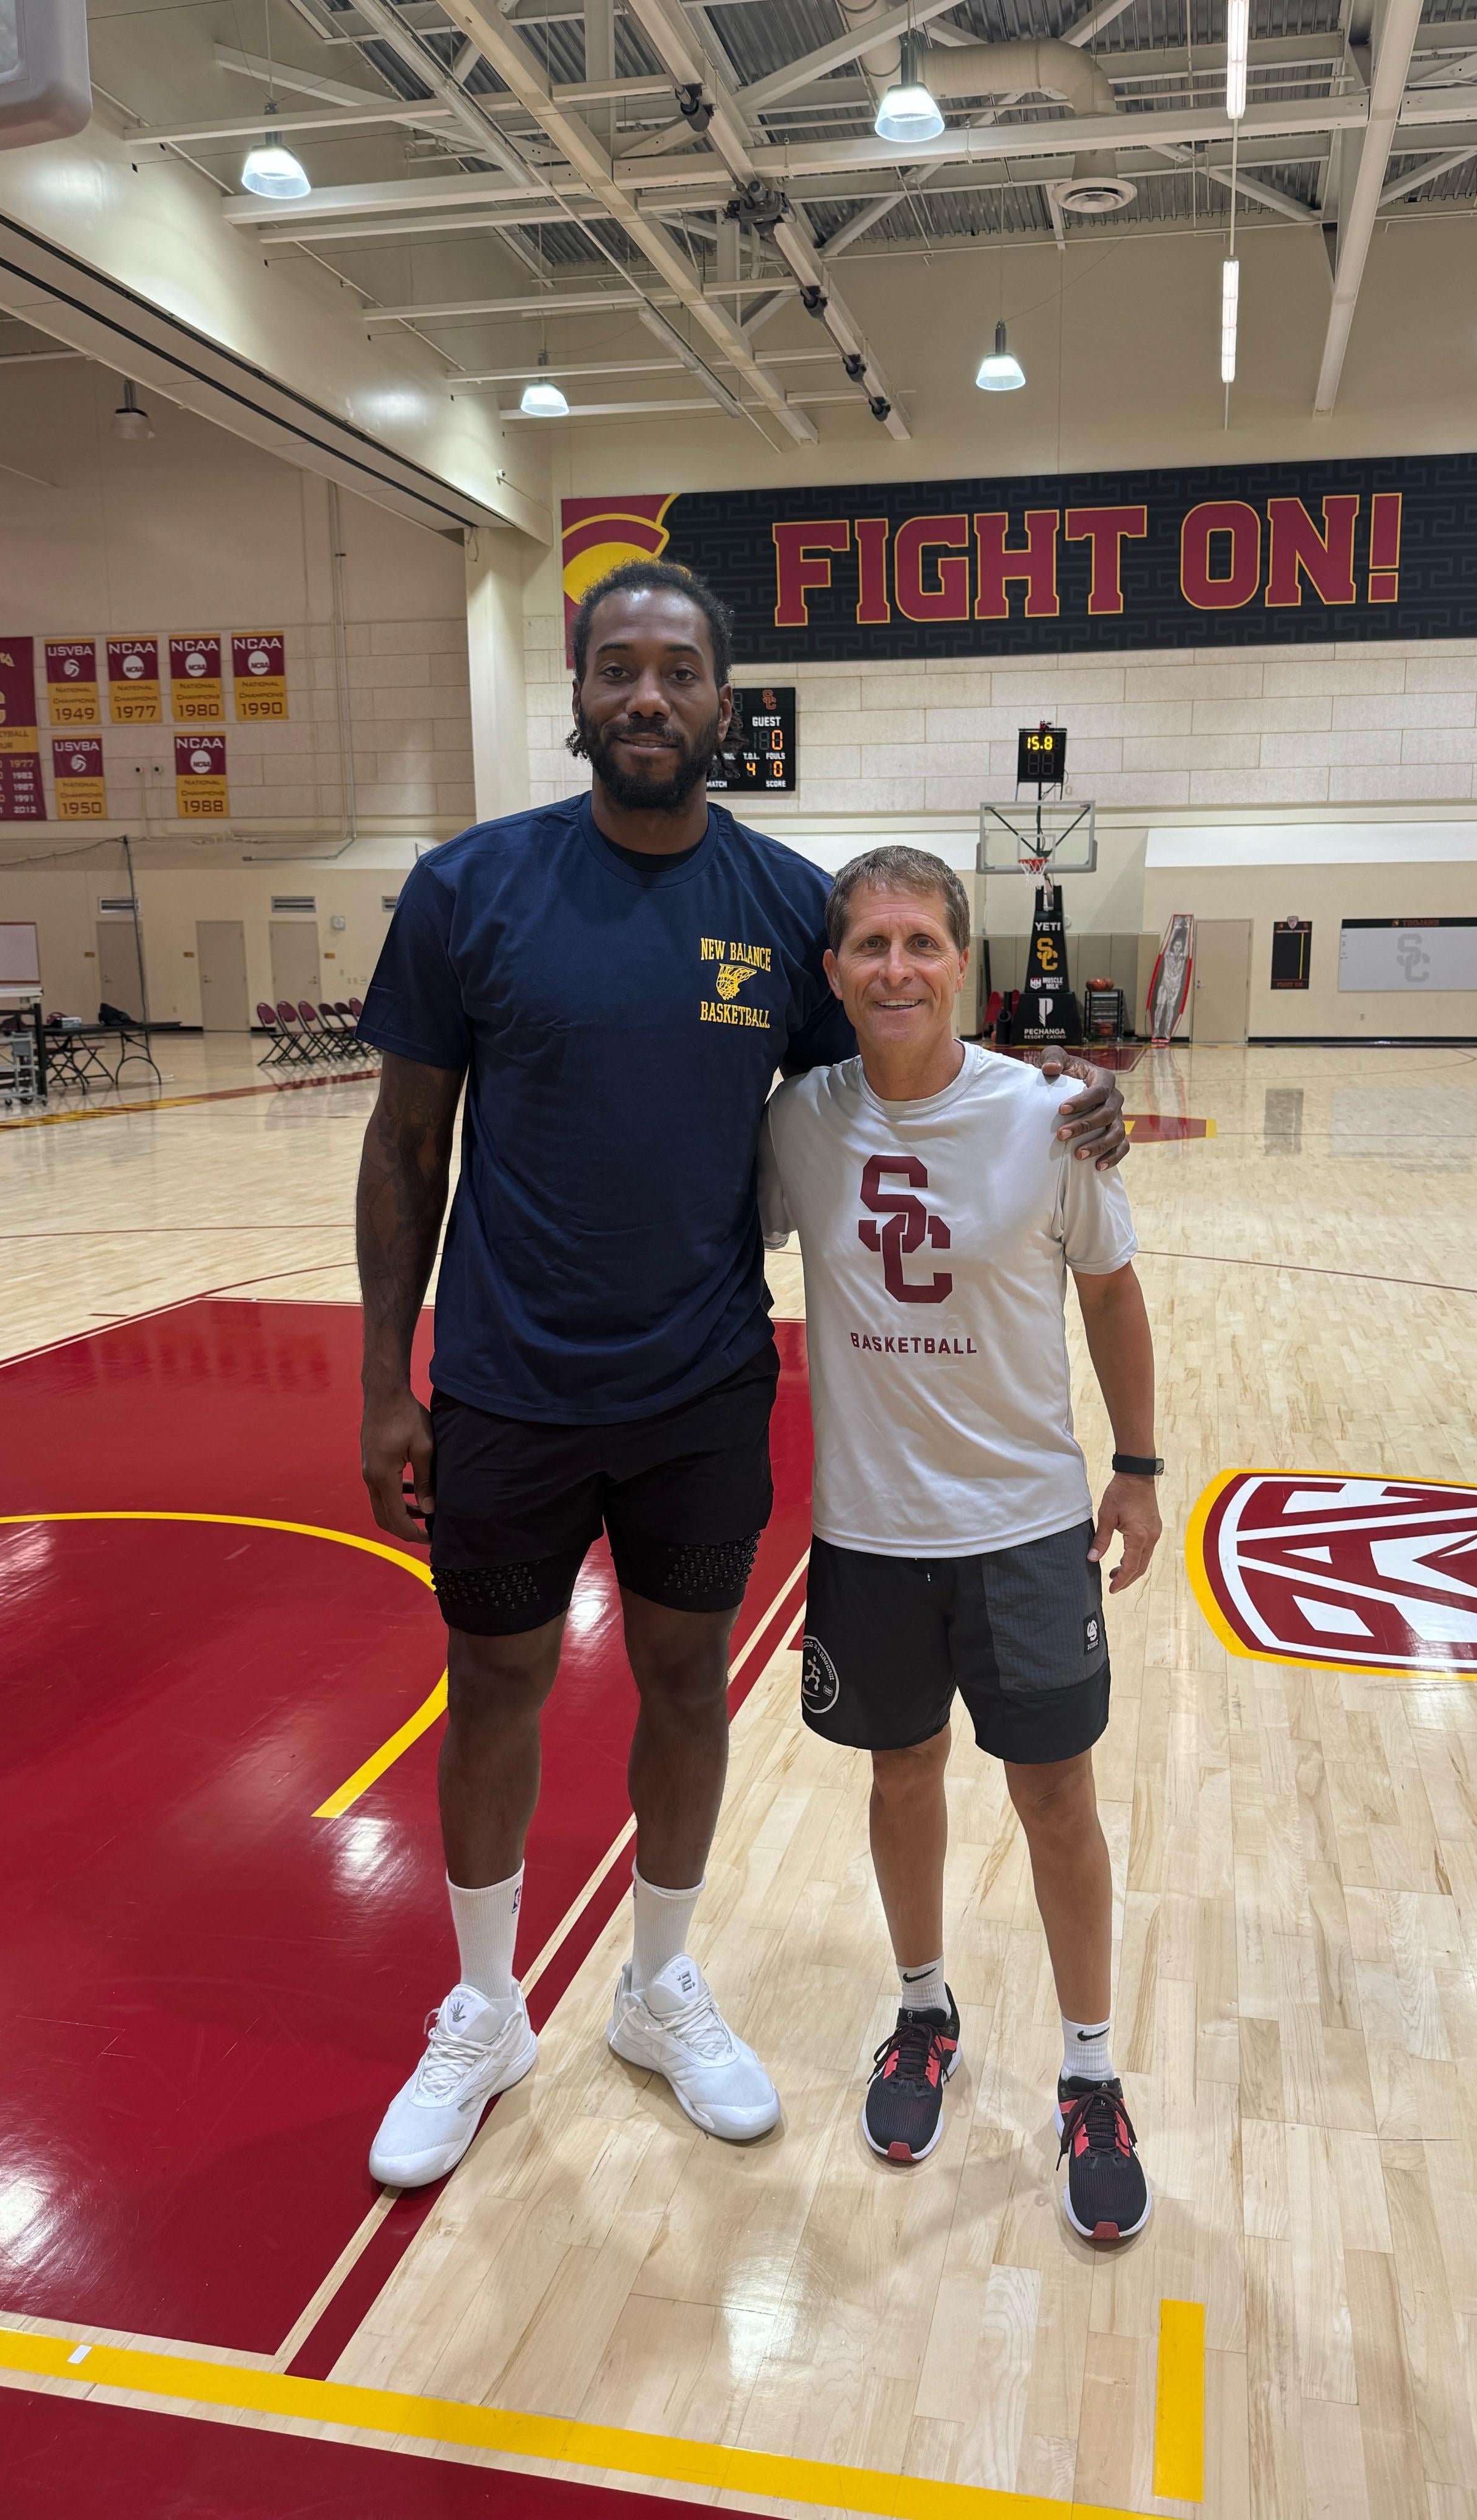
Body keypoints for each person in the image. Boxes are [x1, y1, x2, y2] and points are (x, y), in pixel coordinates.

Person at [351, 562, 1130, 2188]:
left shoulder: (785, 906)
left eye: (680, 670)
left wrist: (1054, 1089)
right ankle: (485, 2008)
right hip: (504, 1378)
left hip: (701, 1385)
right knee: (494, 1684)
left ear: (726, 701)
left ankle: (657, 1985)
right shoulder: (466, 887)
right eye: (618, 668)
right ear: (579, 692)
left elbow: (903, 1074)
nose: (648, 695)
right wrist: (383, 1374)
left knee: (687, 1681)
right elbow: (408, 1137)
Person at [757, 845, 1162, 2241]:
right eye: (870, 944)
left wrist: (1139, 1469)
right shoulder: (798, 1121)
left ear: (962, 963)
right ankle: (924, 2010)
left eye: (921, 942)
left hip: (1026, 1530)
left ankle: (1091, 2073)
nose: (896, 968)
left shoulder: (1049, 1119)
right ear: (832, 971)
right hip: (870, 1531)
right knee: (903, 1770)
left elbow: (1112, 1294)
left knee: (1057, 1798)